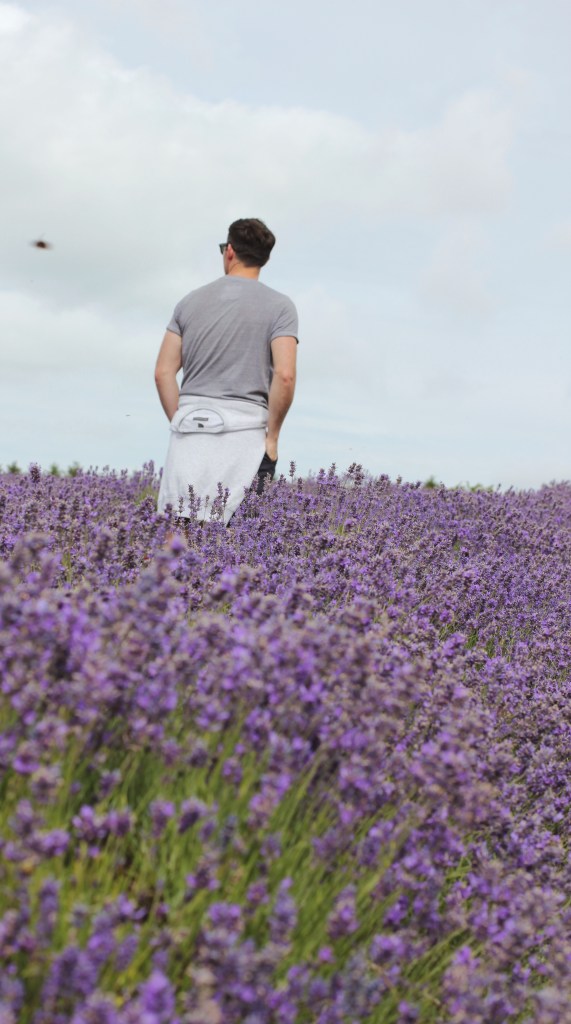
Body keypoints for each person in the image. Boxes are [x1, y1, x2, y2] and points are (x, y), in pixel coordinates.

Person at [155, 218, 298, 523]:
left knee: (176, 538)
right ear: (265, 259)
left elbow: (163, 373)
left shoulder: (188, 303)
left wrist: (183, 420)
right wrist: (272, 439)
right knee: (238, 548)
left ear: (229, 251)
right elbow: (284, 377)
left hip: (189, 432)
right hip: (246, 438)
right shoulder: (281, 307)